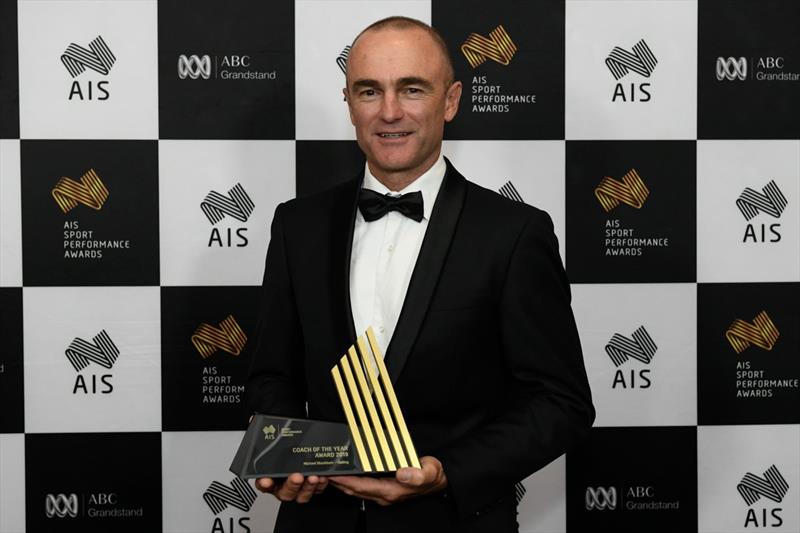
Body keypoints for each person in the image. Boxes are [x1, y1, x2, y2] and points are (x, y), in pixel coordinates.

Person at [246, 16, 594, 533]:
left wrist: (445, 473)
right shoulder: (297, 224)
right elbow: (272, 375)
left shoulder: (514, 233)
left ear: (450, 101)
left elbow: (560, 403)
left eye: (412, 89)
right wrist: (285, 454)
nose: (389, 112)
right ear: (349, 102)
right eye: (369, 90)